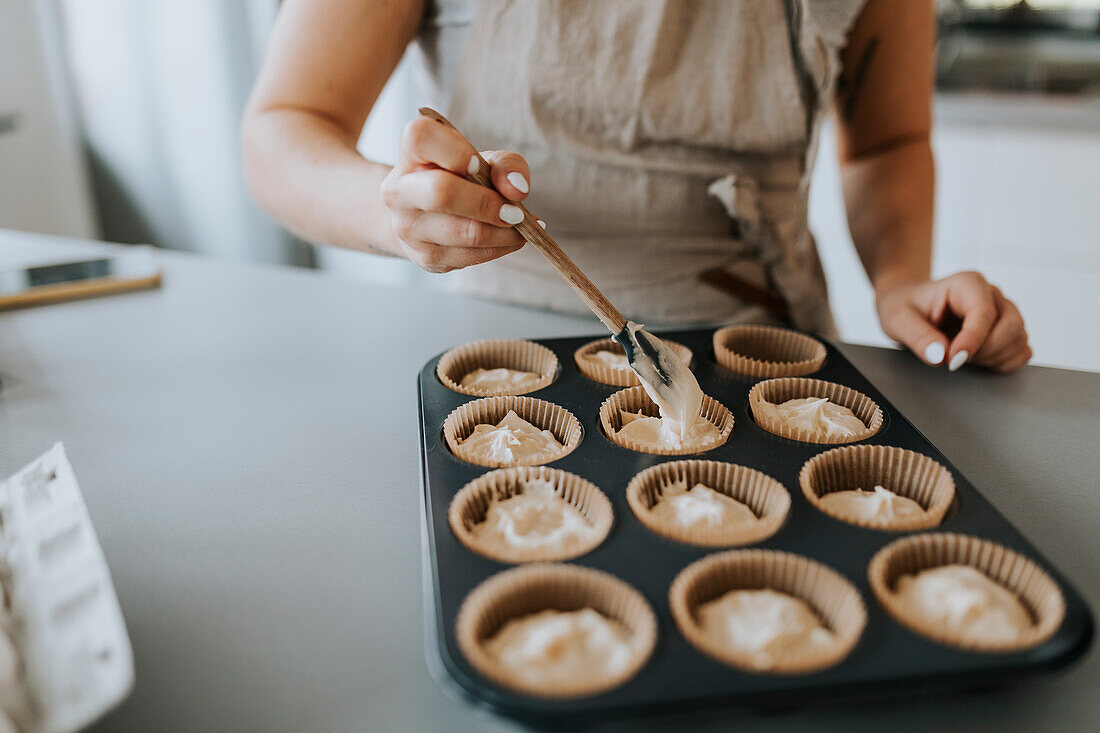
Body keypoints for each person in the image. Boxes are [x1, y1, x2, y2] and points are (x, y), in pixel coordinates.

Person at [242, 0, 1031, 373]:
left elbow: (889, 141)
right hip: (498, 359)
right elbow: (283, 128)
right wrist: (396, 215)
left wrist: (900, 281)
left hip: (767, 356)